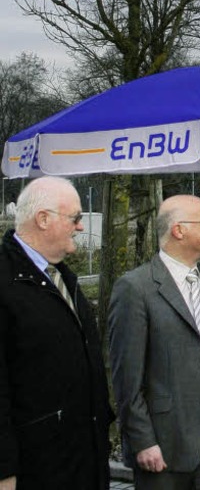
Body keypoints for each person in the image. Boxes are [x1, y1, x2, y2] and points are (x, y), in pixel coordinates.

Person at [108, 194, 200, 490]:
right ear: (179, 230)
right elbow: (126, 378)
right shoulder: (135, 288)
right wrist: (143, 440)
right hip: (165, 439)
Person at [0, 176, 112, 490]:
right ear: (43, 219)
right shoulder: (5, 282)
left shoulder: (63, 277)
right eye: (75, 217)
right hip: (38, 469)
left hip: (83, 461)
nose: (80, 226)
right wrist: (4, 471)